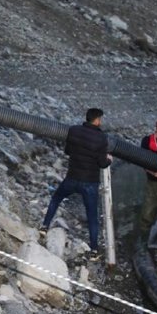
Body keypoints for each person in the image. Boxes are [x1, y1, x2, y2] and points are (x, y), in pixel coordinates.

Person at [40, 108, 113, 260]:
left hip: (72, 178)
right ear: (97, 120)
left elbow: (68, 151)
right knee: (92, 216)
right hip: (89, 182)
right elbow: (101, 163)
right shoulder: (101, 138)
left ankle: (45, 226)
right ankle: (93, 250)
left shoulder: (73, 131)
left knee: (56, 199)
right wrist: (109, 160)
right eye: (101, 119)